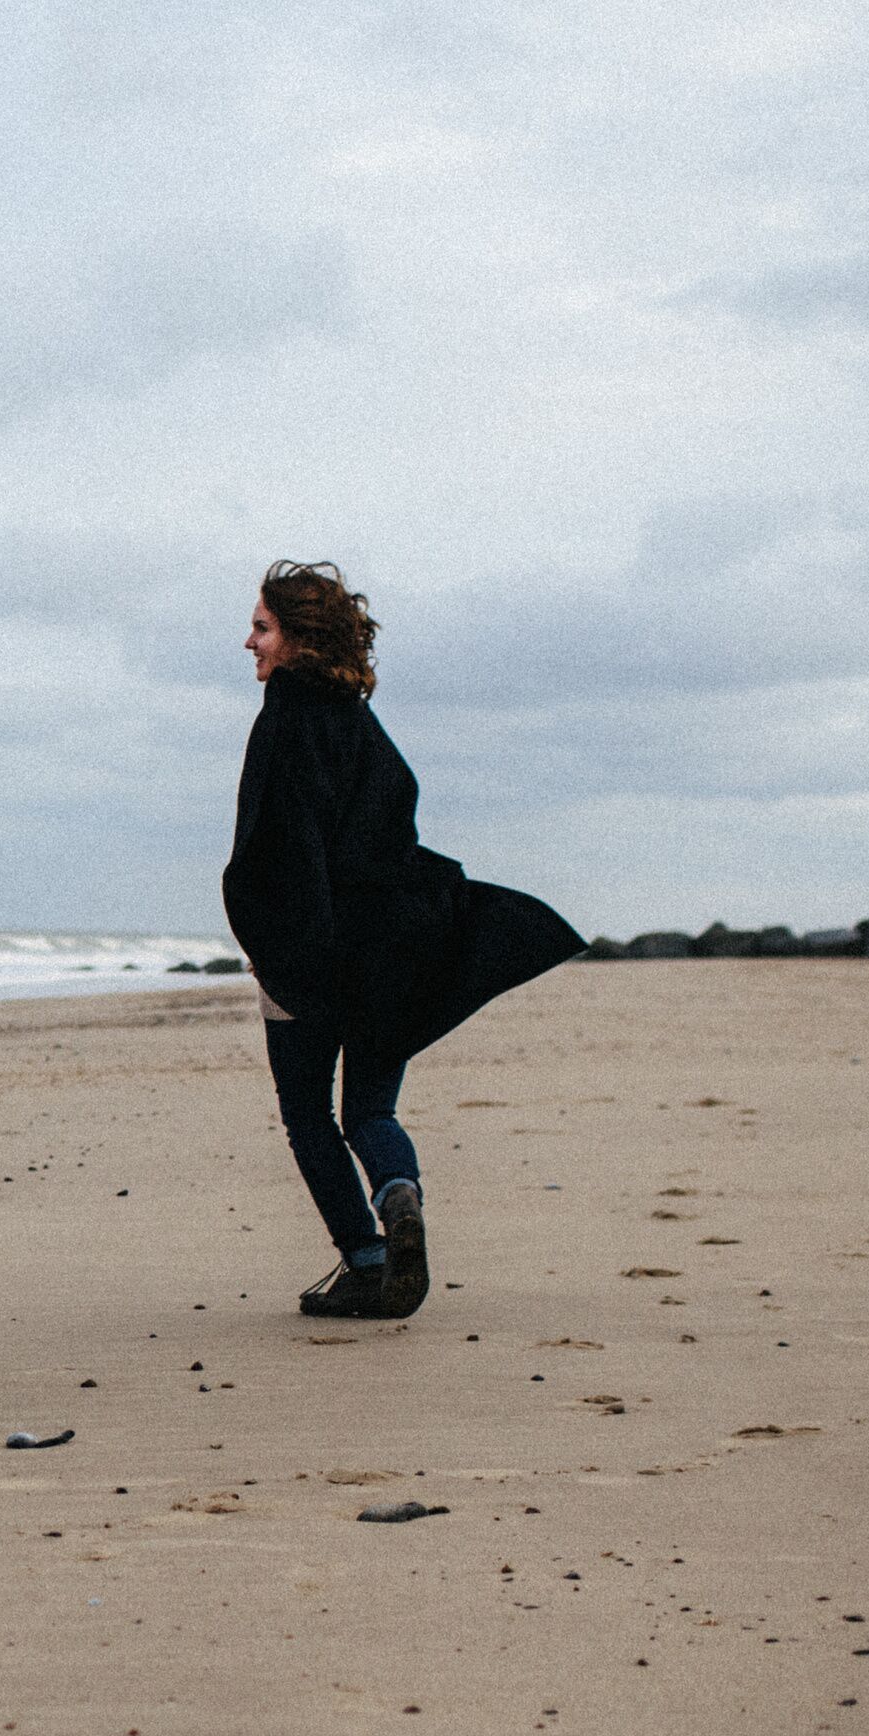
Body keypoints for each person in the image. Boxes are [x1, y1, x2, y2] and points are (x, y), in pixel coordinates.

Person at [221, 561, 580, 1320]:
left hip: (311, 954)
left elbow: (280, 848)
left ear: (296, 638)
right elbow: (391, 826)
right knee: (370, 1114)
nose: (249, 642)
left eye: (262, 627)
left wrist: (276, 947)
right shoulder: (359, 720)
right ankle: (398, 1194)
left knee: (308, 1116)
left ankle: (366, 1258)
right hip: (390, 950)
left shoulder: (285, 719)